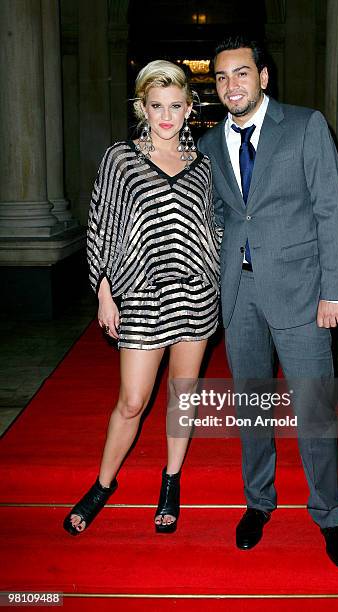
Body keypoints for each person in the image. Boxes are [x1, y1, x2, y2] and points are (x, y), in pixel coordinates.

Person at [198, 36, 338, 568]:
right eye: (221, 78)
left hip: (302, 294)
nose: (230, 86)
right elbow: (220, 216)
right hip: (239, 296)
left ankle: (329, 515)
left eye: (241, 74)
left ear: (264, 76)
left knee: (313, 409)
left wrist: (333, 290)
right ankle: (259, 504)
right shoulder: (212, 143)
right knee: (252, 408)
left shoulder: (306, 125)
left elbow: (332, 209)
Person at [63, 60, 220, 536]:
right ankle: (102, 484)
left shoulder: (204, 166)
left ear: (190, 109)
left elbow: (214, 227)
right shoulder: (120, 159)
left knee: (182, 397)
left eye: (175, 106)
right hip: (140, 296)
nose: (166, 116)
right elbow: (101, 226)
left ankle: (170, 481)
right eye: (157, 106)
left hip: (195, 296)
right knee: (132, 401)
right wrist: (105, 294)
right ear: (142, 108)